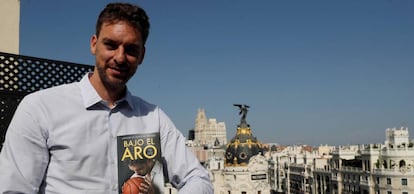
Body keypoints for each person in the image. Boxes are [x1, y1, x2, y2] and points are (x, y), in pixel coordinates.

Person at [0, 2, 213, 194]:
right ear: (94, 44)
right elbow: (14, 188)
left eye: (131, 50)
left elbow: (198, 178)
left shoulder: (153, 117)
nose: (120, 57)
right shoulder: (40, 108)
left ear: (142, 56)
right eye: (111, 45)